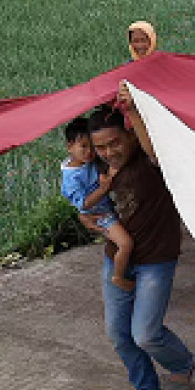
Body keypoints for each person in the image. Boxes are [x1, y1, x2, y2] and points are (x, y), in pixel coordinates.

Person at [93, 86, 195, 390]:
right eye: (101, 147)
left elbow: (153, 149)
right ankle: (145, 387)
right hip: (117, 261)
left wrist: (134, 110)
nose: (109, 152)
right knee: (119, 334)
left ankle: (181, 367)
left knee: (146, 335)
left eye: (115, 143)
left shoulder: (151, 163)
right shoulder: (102, 172)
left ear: (131, 138)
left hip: (155, 260)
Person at [59, 116, 136, 292]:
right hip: (102, 215)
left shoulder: (88, 163)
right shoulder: (72, 178)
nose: (89, 152)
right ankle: (118, 276)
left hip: (108, 207)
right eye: (83, 146)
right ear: (69, 147)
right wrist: (103, 189)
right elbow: (83, 204)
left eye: (92, 146)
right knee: (125, 244)